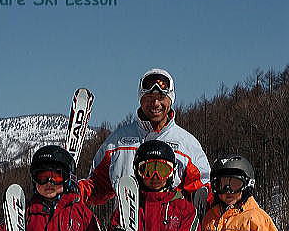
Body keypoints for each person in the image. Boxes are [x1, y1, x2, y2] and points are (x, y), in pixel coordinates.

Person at [79, 67, 210, 204]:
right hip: (125, 223)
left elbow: (203, 192)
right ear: (140, 99)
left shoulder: (186, 144)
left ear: (171, 100)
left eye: (161, 97)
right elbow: (96, 186)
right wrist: (75, 189)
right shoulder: (117, 142)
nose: (155, 103)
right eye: (149, 98)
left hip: (170, 222)